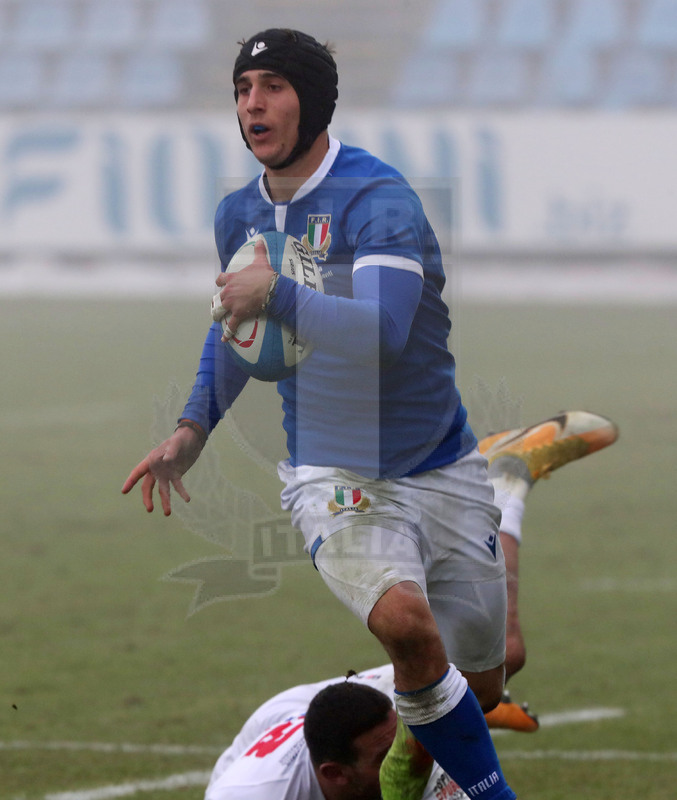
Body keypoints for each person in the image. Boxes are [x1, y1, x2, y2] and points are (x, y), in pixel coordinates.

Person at [124, 28, 606, 800]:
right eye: (243, 89)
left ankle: (504, 480)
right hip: (332, 470)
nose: (252, 104)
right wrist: (192, 429)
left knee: (484, 682)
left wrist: (276, 292)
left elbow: (382, 331)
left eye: (272, 86)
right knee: (407, 629)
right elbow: (240, 332)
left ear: (312, 100)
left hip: (438, 463)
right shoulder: (238, 214)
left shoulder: (377, 200)